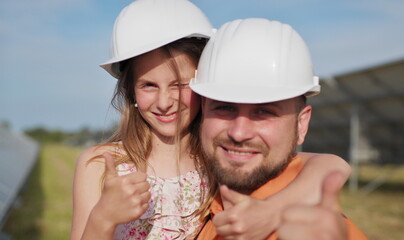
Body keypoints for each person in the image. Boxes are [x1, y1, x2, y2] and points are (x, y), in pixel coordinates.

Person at [71, 1, 352, 240]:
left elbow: (331, 165)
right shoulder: (101, 164)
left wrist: (273, 210)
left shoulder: (217, 156)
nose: (165, 101)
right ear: (130, 90)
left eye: (180, 85)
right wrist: (103, 218)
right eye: (148, 86)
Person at [190, 18, 368, 240]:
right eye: (224, 107)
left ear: (301, 124)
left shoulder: (316, 232)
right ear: (203, 110)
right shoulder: (198, 210)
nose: (238, 133)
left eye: (264, 112)